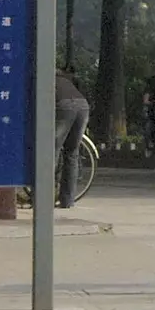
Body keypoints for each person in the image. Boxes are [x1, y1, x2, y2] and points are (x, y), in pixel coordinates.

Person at [53, 66, 90, 209]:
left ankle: (44, 197)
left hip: (64, 107)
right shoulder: (65, 81)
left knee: (52, 151)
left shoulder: (45, 79)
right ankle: (67, 200)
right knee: (72, 153)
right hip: (83, 106)